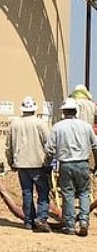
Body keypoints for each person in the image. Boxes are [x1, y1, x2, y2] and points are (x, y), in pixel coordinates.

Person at [45, 97, 97, 236]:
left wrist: (47, 165)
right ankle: (84, 222)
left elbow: (50, 149)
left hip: (66, 165)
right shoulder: (86, 126)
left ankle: (70, 226)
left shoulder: (58, 127)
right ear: (76, 111)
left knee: (67, 194)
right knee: (84, 193)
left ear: (63, 112)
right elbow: (95, 146)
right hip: (83, 163)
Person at [5, 96, 50, 232]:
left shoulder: (14, 124)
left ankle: (29, 221)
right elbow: (48, 143)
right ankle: (41, 219)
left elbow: (8, 146)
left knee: (27, 192)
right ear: (34, 109)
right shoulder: (40, 123)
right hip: (38, 163)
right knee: (43, 192)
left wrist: (11, 162)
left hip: (21, 164)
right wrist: (49, 161)